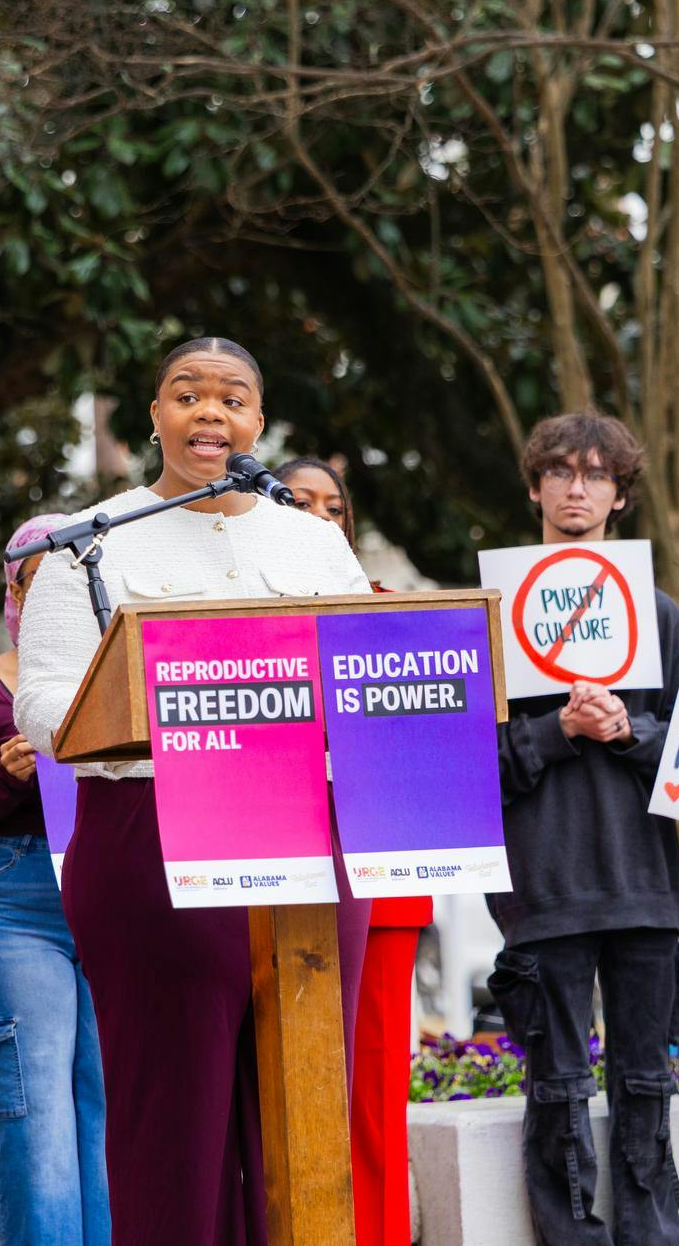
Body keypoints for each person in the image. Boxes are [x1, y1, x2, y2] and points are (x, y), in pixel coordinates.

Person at [14, 337, 374, 1246]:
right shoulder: (90, 544)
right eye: (187, 394)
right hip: (155, 848)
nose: (209, 412)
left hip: (307, 846)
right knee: (175, 1133)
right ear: (155, 415)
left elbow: (362, 672)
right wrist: (185, 716)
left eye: (232, 398)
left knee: (303, 1119)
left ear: (257, 421)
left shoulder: (312, 538)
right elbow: (46, 708)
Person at [482, 411, 679, 1246]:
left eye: (597, 473)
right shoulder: (492, 611)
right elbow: (466, 767)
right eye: (562, 471)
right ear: (535, 485)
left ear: (620, 493)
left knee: (648, 1085)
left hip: (642, 886)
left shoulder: (659, 612)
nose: (578, 487)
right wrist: (556, 732)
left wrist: (626, 730)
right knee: (559, 1091)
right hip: (541, 889)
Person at [0, 512, 110, 1246]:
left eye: (72, 582)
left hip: (112, 888)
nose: (54, 602)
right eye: (39, 581)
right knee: (37, 1112)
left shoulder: (123, 675)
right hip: (16, 899)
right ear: (16, 587)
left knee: (111, 1108)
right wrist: (6, 783)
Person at [274, 453, 430, 1246]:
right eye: (294, 500)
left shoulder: (390, 615)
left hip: (381, 878)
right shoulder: (240, 620)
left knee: (370, 1092)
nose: (314, 515)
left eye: (330, 506)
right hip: (264, 877)